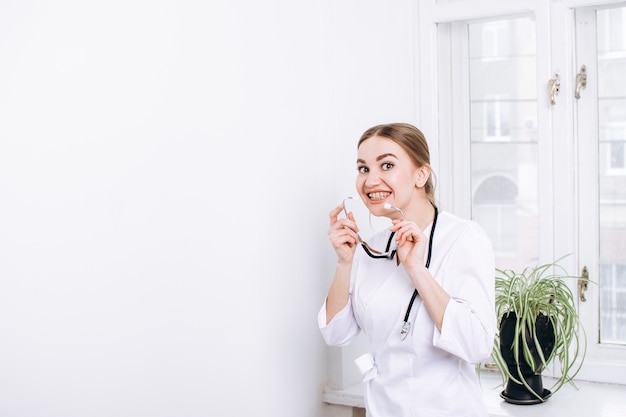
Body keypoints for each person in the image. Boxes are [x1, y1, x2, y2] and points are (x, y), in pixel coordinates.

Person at [318, 123, 496, 417]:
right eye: (363, 169)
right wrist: (344, 262)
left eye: (386, 165)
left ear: (421, 174)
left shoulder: (463, 238)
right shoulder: (370, 248)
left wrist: (417, 270)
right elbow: (335, 334)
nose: (370, 179)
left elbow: (477, 345)